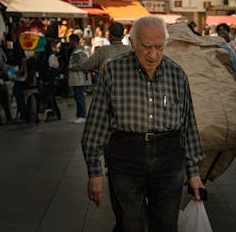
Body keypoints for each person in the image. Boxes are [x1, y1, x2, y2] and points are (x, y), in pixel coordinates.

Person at [81, 16, 206, 232]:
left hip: (169, 158)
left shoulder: (177, 74)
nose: (153, 54)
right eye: (146, 47)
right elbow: (96, 125)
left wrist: (194, 174)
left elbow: (188, 127)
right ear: (133, 43)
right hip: (126, 157)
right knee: (130, 224)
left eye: (159, 46)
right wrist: (95, 173)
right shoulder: (113, 71)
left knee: (166, 224)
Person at [67, 34, 88, 124]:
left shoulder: (79, 51)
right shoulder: (76, 50)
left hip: (78, 77)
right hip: (75, 78)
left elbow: (81, 64)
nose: (69, 43)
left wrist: (70, 67)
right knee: (77, 96)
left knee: (80, 97)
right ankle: (79, 115)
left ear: (74, 40)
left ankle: (82, 115)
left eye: (70, 40)